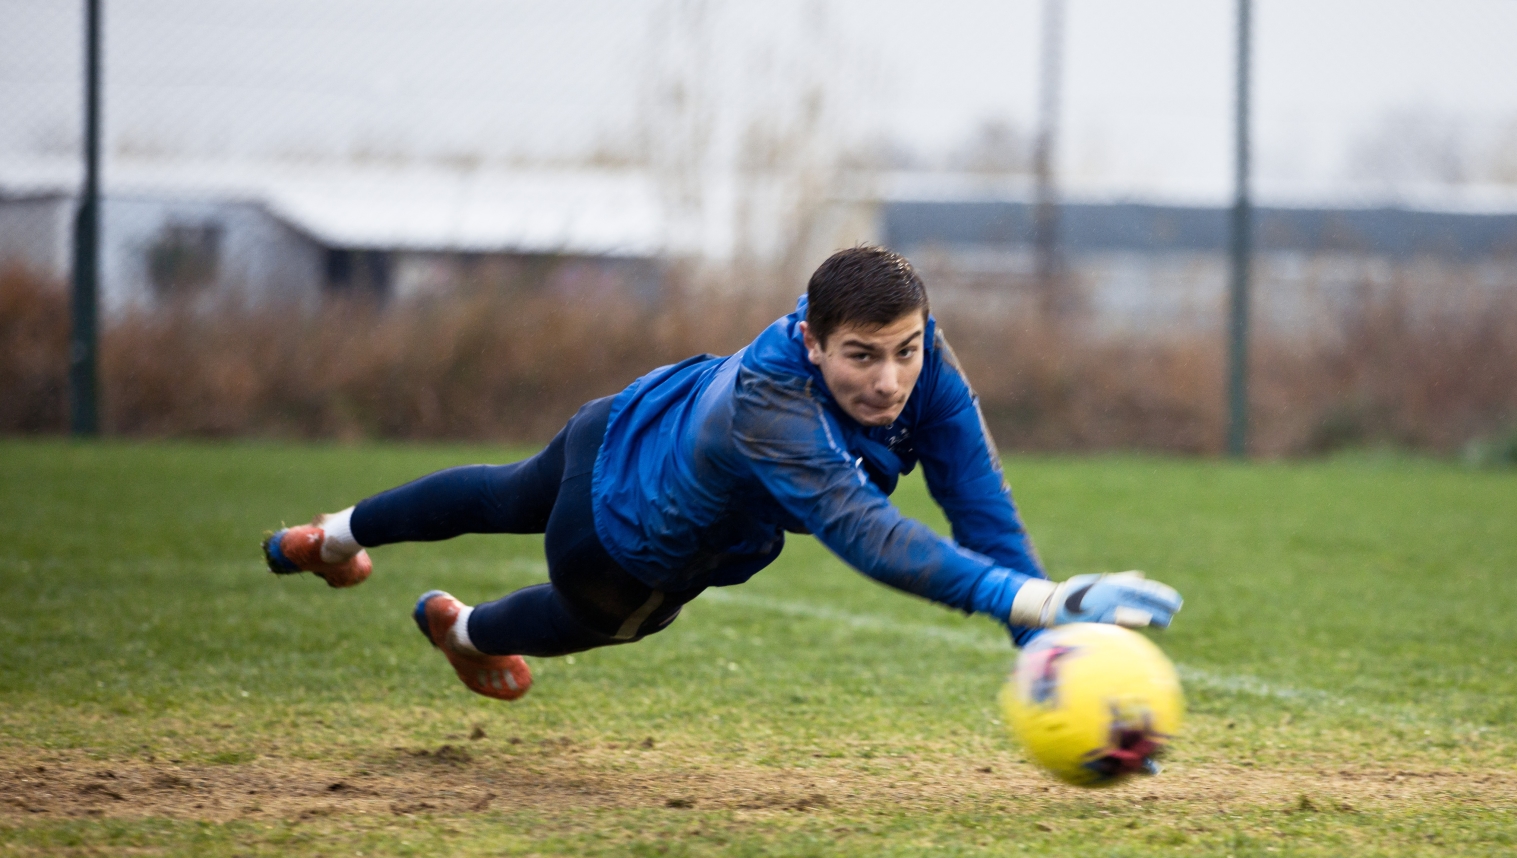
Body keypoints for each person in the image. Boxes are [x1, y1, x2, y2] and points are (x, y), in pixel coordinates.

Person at [263, 246, 1182, 701]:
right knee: (591, 618)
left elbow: (977, 502)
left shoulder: (925, 365)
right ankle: (464, 632)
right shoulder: (774, 408)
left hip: (627, 419)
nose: (891, 379)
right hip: (627, 542)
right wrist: (1037, 605)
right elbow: (867, 533)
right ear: (812, 342)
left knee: (508, 489)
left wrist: (1045, 646)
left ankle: (332, 536)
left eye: (907, 349)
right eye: (862, 356)